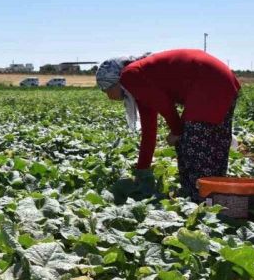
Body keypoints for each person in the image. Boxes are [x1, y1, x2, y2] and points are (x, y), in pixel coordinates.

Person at [95, 49, 241, 201]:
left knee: (191, 147)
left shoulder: (130, 75)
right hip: (222, 81)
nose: (107, 95)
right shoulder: (141, 79)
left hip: (207, 82)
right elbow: (149, 132)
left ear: (113, 82)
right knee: (213, 146)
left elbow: (165, 105)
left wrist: (177, 131)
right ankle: (215, 197)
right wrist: (142, 171)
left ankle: (202, 200)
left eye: (105, 89)